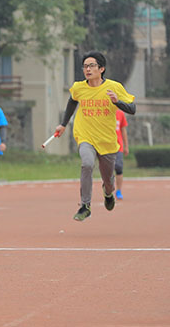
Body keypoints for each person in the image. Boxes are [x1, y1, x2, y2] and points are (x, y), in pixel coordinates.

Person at [53, 51, 136, 222]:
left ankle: (108, 193)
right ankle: (85, 206)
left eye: (91, 66)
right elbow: (72, 101)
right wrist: (63, 124)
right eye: (85, 66)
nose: (87, 69)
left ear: (101, 68)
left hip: (107, 141)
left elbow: (132, 108)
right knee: (87, 163)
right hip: (85, 136)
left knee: (108, 181)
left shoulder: (114, 87)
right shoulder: (79, 87)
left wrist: (116, 102)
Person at [114, 109, 129, 200]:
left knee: (118, 167)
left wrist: (126, 146)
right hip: (106, 146)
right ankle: (108, 191)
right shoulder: (103, 112)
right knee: (107, 170)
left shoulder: (120, 113)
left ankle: (118, 190)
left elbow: (123, 131)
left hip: (118, 146)